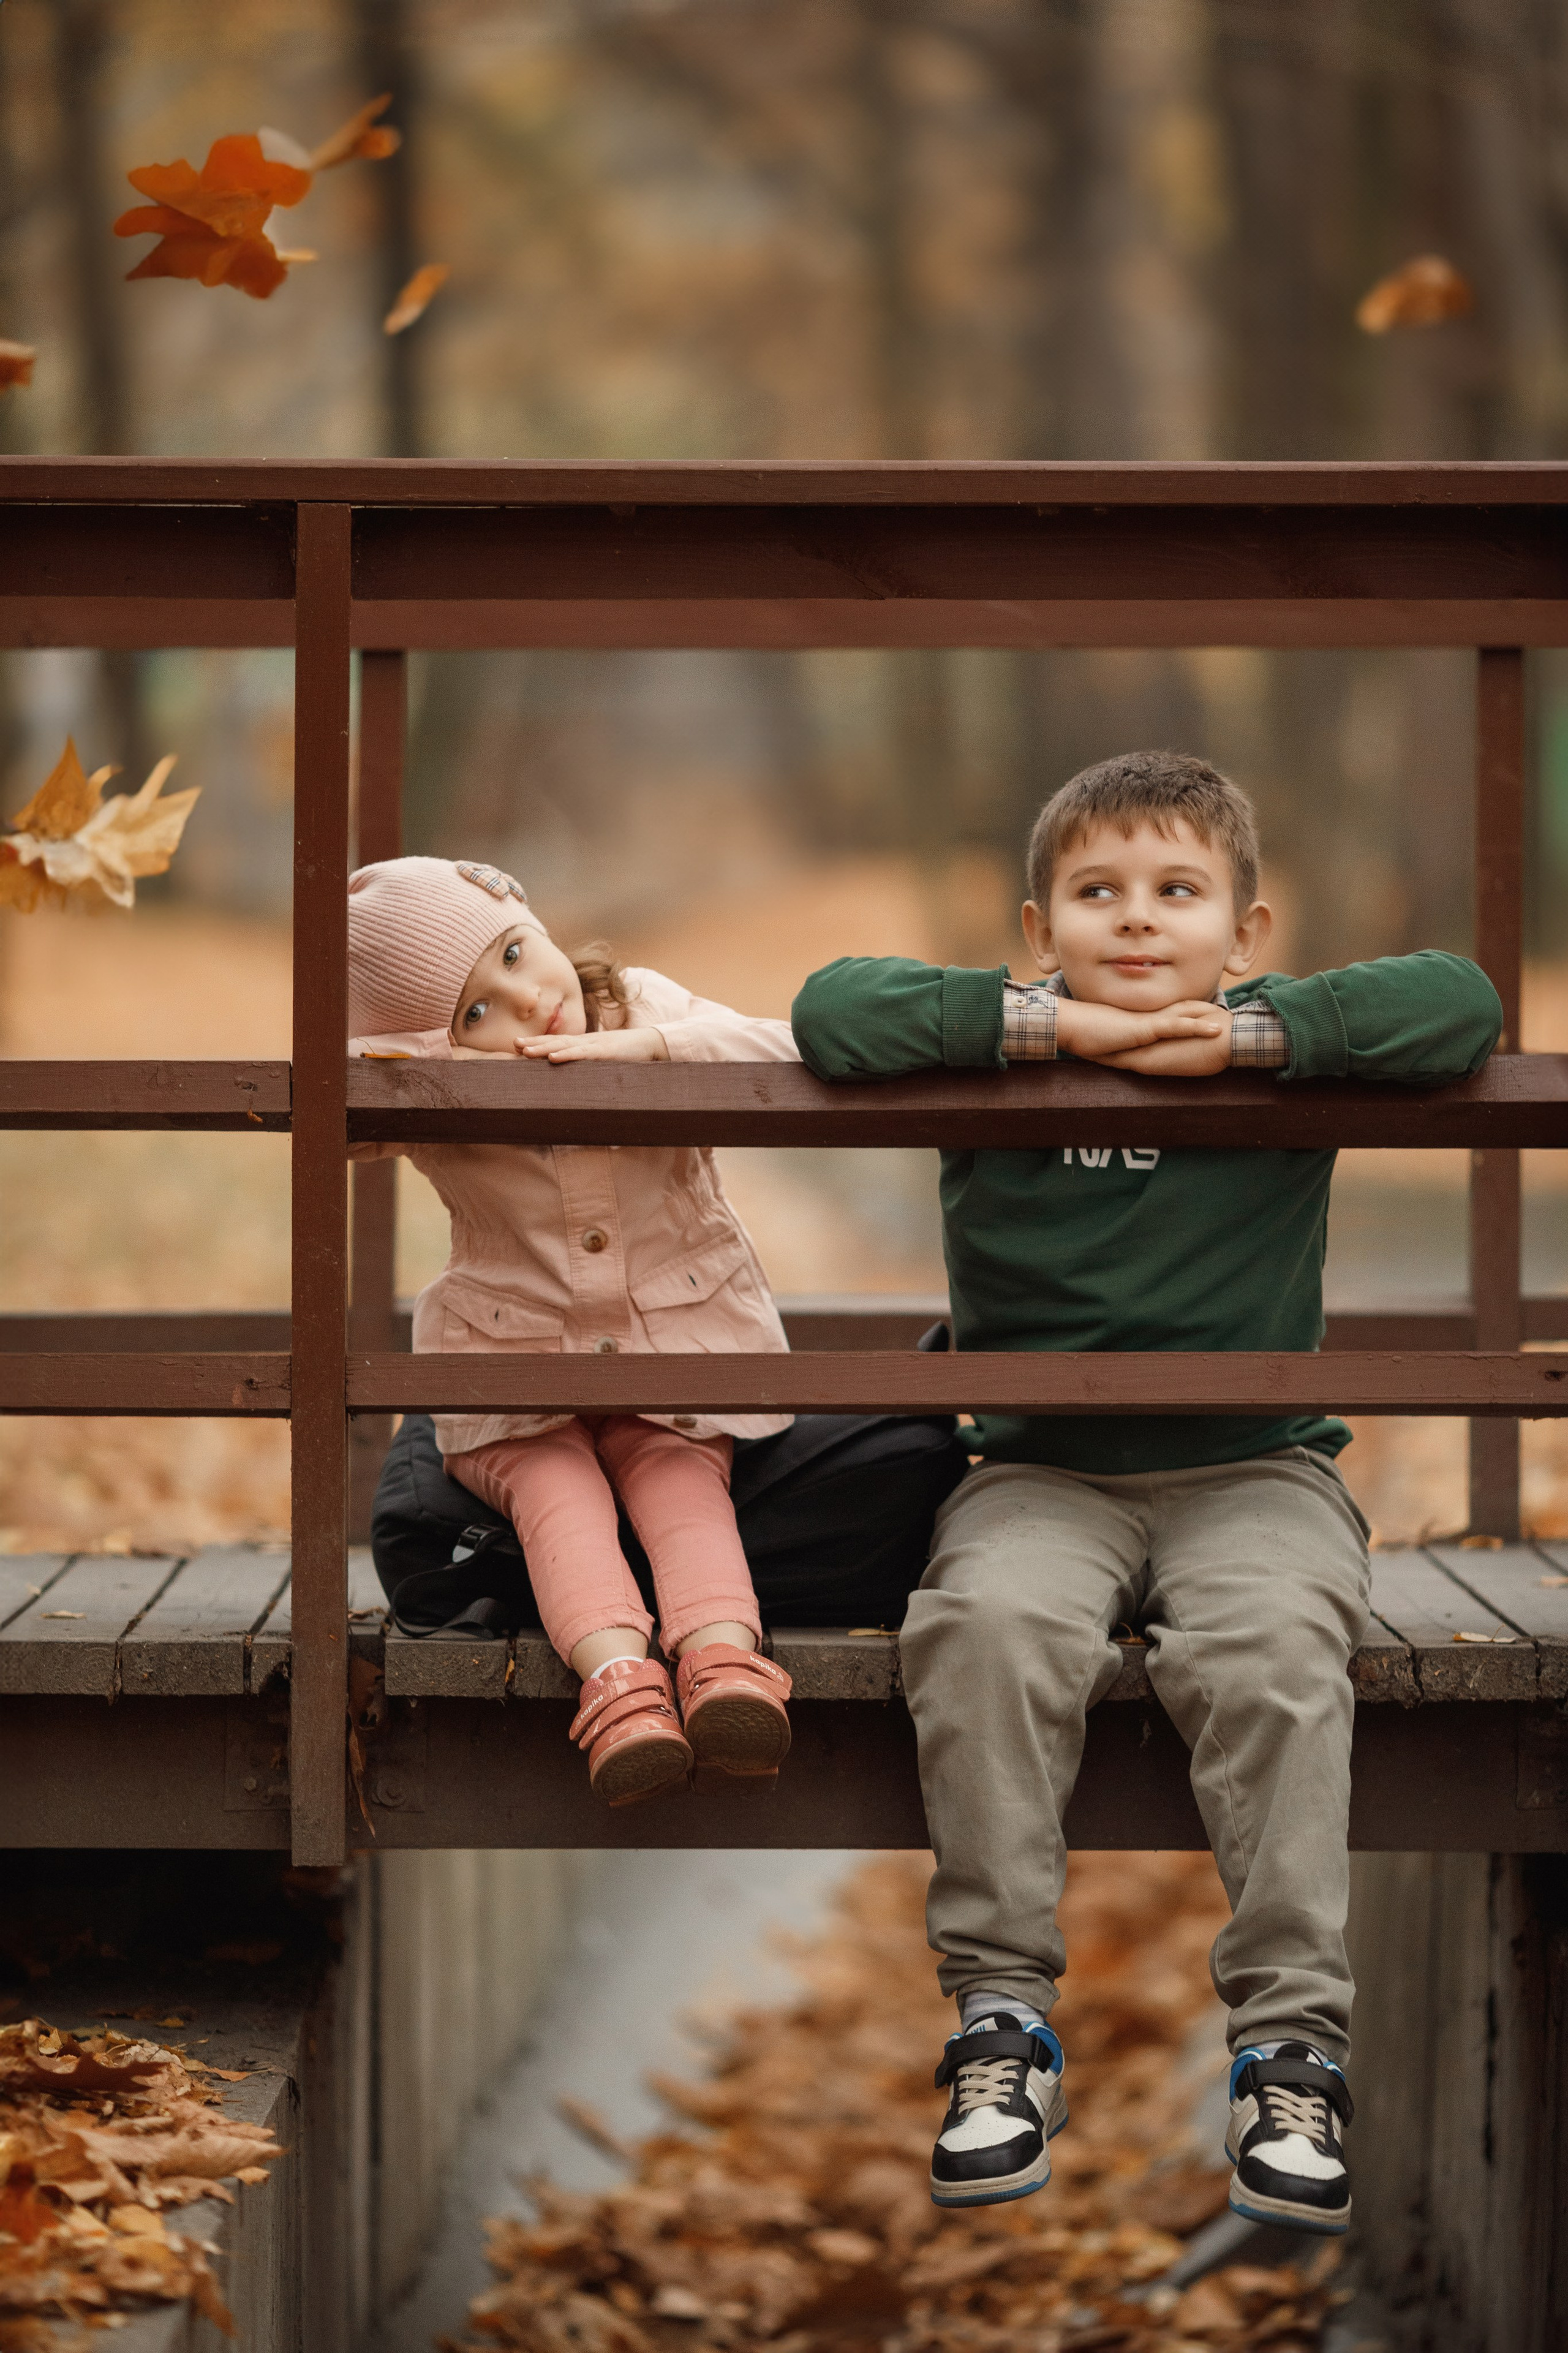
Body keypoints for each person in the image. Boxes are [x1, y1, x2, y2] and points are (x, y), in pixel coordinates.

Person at [791, 750, 1502, 2235]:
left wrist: (1246, 1049)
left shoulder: (1282, 1044)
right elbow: (830, 1010)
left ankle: (1287, 2046)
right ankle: (999, 2028)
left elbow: (1458, 1000)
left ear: (1244, 931)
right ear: (1037, 923)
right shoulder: (992, 1052)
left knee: (1275, 1654)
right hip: (1038, 1477)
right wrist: (1041, 1026)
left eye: (1177, 892)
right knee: (981, 1626)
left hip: (1254, 1473)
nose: (1135, 919)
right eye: (1096, 892)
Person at [349, 854, 795, 1809]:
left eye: (515, 953)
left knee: (679, 1478)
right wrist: (442, 1062)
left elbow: (780, 1053)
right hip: (512, 1368)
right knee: (558, 1495)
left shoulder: (638, 1004)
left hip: (675, 1348)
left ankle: (723, 1664)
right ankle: (617, 1687)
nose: (525, 1000)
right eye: (477, 1010)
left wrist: (661, 1055)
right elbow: (335, 1105)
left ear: (532, 918)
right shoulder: (440, 1089)